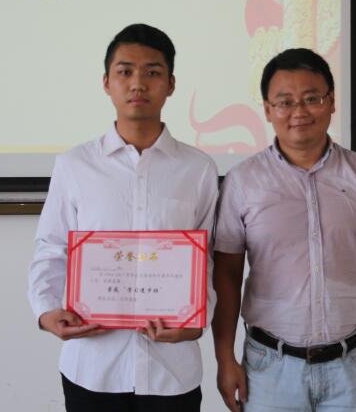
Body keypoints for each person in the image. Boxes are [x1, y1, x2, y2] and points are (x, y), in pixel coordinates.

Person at [28, 23, 218, 412]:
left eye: (153, 72)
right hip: (92, 367)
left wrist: (197, 320)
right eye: (125, 71)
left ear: (171, 84)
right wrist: (46, 310)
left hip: (172, 372)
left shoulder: (198, 169)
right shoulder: (75, 165)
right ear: (106, 82)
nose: (138, 84)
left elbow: (209, 260)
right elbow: (51, 245)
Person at [213, 48, 356, 411]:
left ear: (331, 102)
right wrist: (224, 358)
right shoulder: (243, 181)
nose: (299, 112)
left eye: (311, 98)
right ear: (268, 109)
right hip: (269, 370)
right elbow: (226, 274)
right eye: (285, 102)